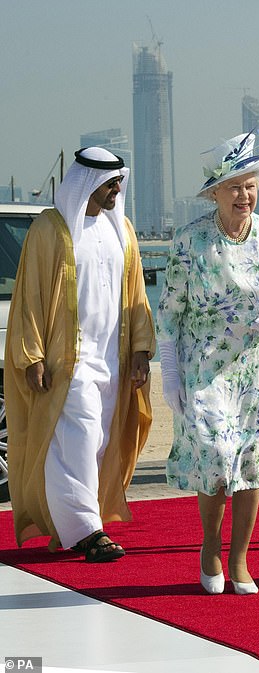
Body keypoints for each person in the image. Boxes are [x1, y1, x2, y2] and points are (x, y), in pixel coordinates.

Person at [156, 130, 259, 594]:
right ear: (215, 191)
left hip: (255, 368)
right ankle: (210, 547)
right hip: (204, 366)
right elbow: (170, 313)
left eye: (251, 183)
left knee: (249, 462)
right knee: (217, 456)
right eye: (234, 185)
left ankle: (239, 560)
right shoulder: (190, 240)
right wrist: (171, 374)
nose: (245, 194)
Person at [5, 147, 155, 562]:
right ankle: (86, 531)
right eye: (110, 183)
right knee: (80, 436)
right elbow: (30, 297)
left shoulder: (121, 229)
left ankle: (72, 522)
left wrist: (141, 349)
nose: (116, 190)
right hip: (66, 360)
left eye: (118, 182)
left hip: (113, 358)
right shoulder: (50, 230)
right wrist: (32, 355)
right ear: (87, 182)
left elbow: (136, 295)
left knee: (100, 441)